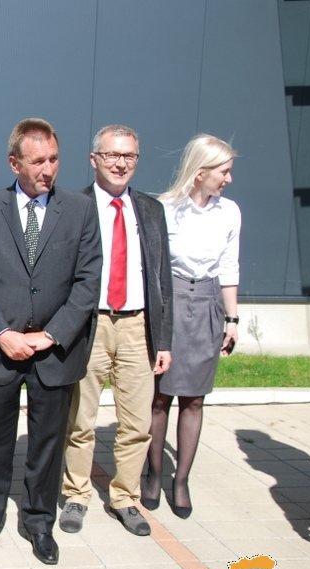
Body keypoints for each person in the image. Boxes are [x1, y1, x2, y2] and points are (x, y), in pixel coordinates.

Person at [0, 118, 101, 565]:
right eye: (37, 161)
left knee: (47, 444)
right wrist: (2, 334)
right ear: (14, 163)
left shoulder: (80, 210)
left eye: (54, 159)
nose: (48, 169)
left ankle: (39, 522)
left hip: (55, 352)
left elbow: (87, 283)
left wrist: (51, 335)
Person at [61, 125, 173, 537]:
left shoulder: (151, 209)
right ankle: (76, 494)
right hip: (91, 324)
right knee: (80, 420)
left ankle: (125, 498)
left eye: (129, 156)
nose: (121, 163)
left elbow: (163, 277)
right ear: (94, 159)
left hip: (137, 326)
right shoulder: (74, 207)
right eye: (112, 155)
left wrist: (164, 340)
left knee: (137, 424)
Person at [144, 134, 240, 520]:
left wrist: (232, 319)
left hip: (208, 303)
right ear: (200, 172)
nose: (229, 179)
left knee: (194, 398)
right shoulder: (166, 209)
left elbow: (229, 266)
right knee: (160, 395)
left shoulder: (229, 212)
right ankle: (153, 473)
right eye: (224, 171)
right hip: (171, 301)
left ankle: (181, 479)